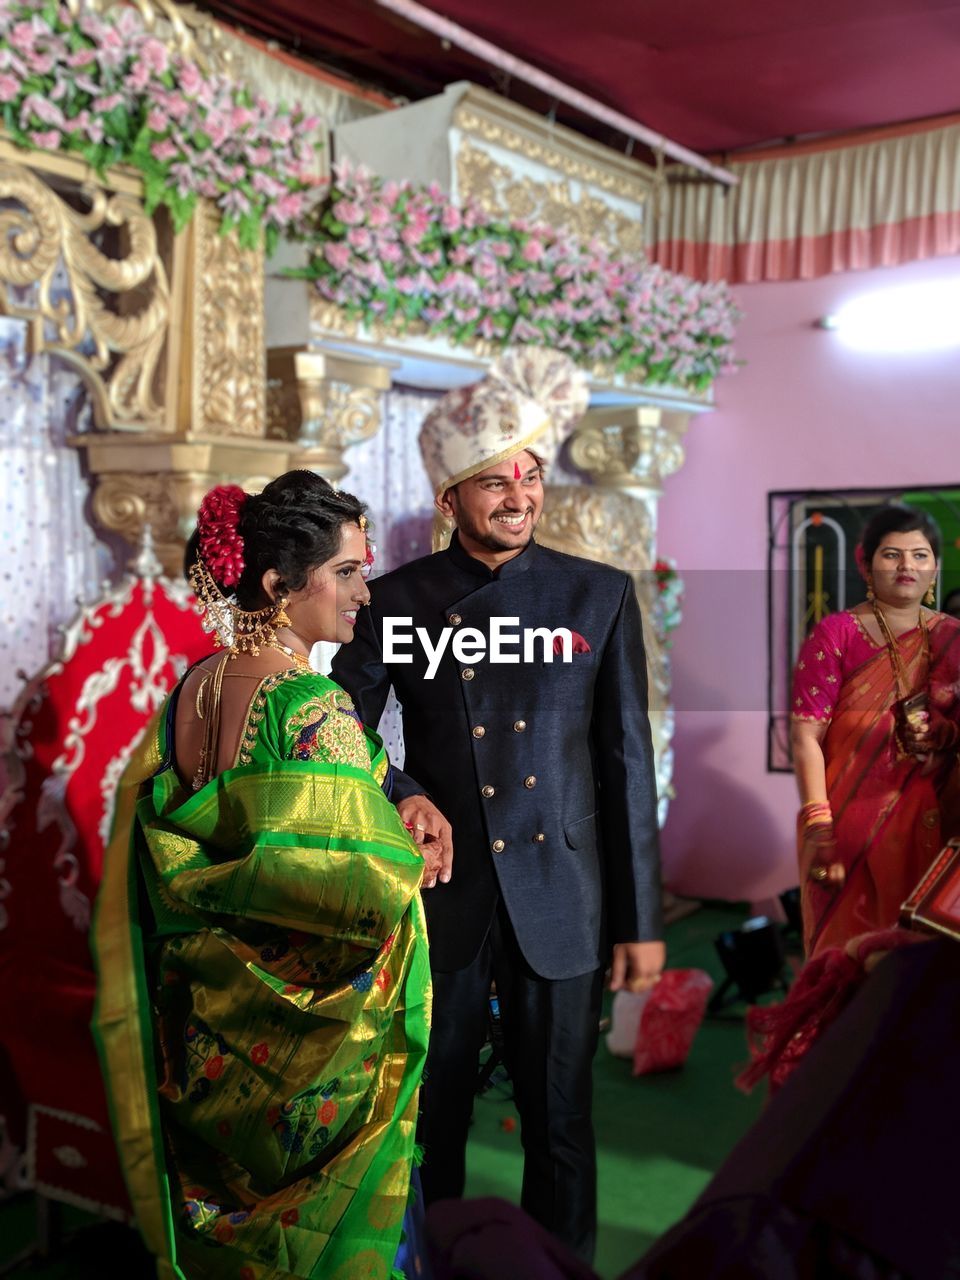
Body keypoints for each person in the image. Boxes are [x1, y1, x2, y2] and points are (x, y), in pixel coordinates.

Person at [331, 346, 665, 1264]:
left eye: (530, 476)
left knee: (559, 1118)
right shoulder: (395, 600)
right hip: (446, 898)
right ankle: (432, 1265)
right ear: (450, 498)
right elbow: (338, 727)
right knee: (430, 1116)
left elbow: (625, 762)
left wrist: (641, 922)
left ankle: (562, 1269)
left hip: (563, 895)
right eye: (493, 480)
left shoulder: (597, 595)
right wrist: (403, 789)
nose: (518, 495)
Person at [92, 471, 433, 1280]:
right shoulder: (313, 704)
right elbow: (362, 888)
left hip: (208, 1019)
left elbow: (187, 840)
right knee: (315, 1242)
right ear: (281, 585)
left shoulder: (193, 687)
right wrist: (409, 861)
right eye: (347, 573)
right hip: (305, 1048)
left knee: (225, 1224)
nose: (363, 593)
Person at [790, 503, 960, 959]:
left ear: (935, 567)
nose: (907, 566)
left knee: (923, 970)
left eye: (920, 555)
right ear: (866, 563)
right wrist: (819, 824)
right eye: (892, 554)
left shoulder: (953, 637)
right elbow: (806, 736)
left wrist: (943, 733)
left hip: (937, 826)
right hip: (848, 827)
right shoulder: (836, 634)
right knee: (847, 964)